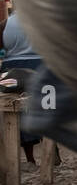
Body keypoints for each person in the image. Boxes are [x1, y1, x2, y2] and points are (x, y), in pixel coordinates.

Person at [1, 13, 50, 164]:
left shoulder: (5, 24)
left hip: (14, 74)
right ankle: (50, 152)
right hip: (42, 70)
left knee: (19, 113)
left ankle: (30, 160)